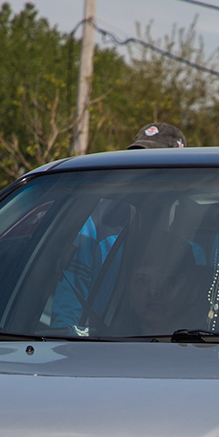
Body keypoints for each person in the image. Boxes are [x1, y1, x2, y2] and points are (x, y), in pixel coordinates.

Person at [50, 123, 187, 330]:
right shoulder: (95, 225)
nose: (144, 171)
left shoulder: (205, 225)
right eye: (137, 161)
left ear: (180, 174)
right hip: (99, 350)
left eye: (158, 164)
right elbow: (68, 314)